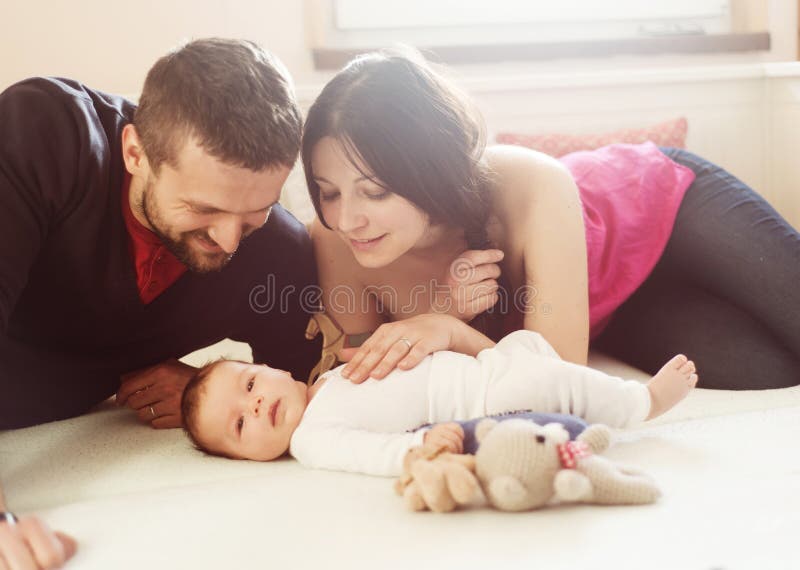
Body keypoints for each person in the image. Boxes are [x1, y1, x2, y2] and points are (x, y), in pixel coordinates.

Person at [302, 50, 800, 391]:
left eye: (375, 192)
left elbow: (552, 371)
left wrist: (445, 329)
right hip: (613, 307)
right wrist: (447, 323)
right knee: (771, 370)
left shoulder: (529, 182)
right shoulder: (334, 241)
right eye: (328, 192)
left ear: (428, 171)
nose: (348, 219)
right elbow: (371, 382)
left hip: (663, 210)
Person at [0, 38, 319, 568]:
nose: (231, 241)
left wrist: (206, 390)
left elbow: (307, 397)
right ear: (135, 152)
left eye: (256, 211)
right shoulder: (46, 134)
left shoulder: (277, 253)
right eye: (204, 209)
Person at [181, 329, 698, 476]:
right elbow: (367, 453)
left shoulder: (330, 378)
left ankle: (578, 411)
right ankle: (640, 402)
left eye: (249, 386)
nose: (255, 407)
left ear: (271, 368)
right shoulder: (313, 439)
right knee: (553, 380)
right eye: (239, 427)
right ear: (244, 459)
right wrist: (418, 449)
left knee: (529, 351)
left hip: (480, 371)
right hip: (482, 397)